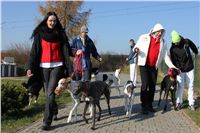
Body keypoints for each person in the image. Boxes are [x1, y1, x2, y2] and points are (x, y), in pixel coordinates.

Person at [27, 12, 72, 130]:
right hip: (43, 67)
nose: (52, 22)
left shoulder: (60, 33)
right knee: (47, 94)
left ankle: (47, 121)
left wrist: (76, 51)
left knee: (51, 93)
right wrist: (29, 67)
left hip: (58, 65)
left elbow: (67, 49)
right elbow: (34, 51)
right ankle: (55, 109)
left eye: (54, 21)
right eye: (50, 20)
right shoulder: (39, 34)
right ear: (46, 21)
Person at [133, 23, 177, 114]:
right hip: (144, 65)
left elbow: (165, 56)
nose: (160, 33)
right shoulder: (144, 37)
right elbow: (136, 46)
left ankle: (149, 104)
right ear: (154, 31)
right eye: (158, 31)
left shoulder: (163, 42)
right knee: (145, 84)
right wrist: (136, 49)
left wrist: (172, 66)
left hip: (154, 66)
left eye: (161, 32)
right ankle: (143, 105)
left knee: (152, 85)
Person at [170, 30, 198, 111]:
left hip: (189, 68)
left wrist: (195, 51)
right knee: (180, 86)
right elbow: (174, 60)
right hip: (180, 70)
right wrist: (178, 67)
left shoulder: (186, 42)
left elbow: (193, 46)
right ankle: (179, 102)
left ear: (180, 39)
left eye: (178, 42)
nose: (177, 44)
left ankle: (191, 103)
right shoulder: (172, 49)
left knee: (190, 86)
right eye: (175, 43)